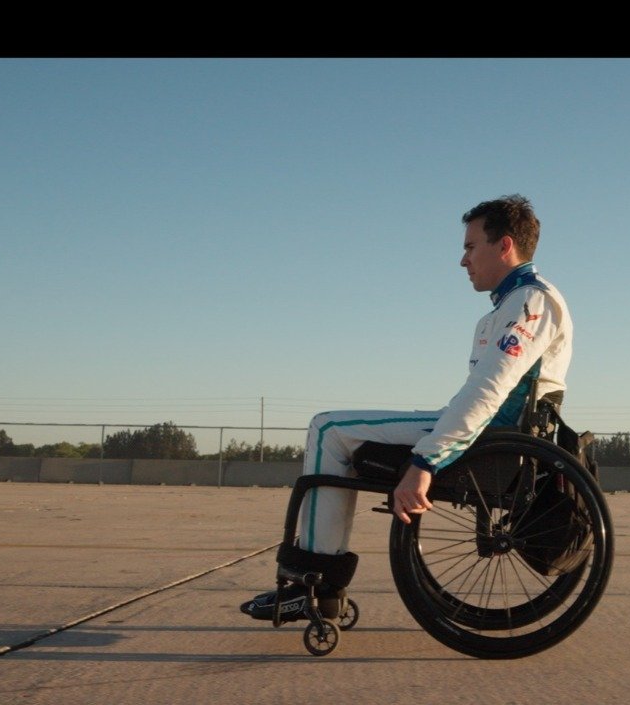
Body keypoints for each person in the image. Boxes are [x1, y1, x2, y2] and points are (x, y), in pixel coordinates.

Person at [244, 193, 574, 622]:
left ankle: (315, 583)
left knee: (328, 429)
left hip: (495, 437)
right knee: (336, 433)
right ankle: (319, 582)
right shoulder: (512, 305)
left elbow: (489, 391)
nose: (463, 260)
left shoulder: (530, 302)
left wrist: (426, 460)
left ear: (505, 245)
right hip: (489, 430)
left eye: (471, 246)